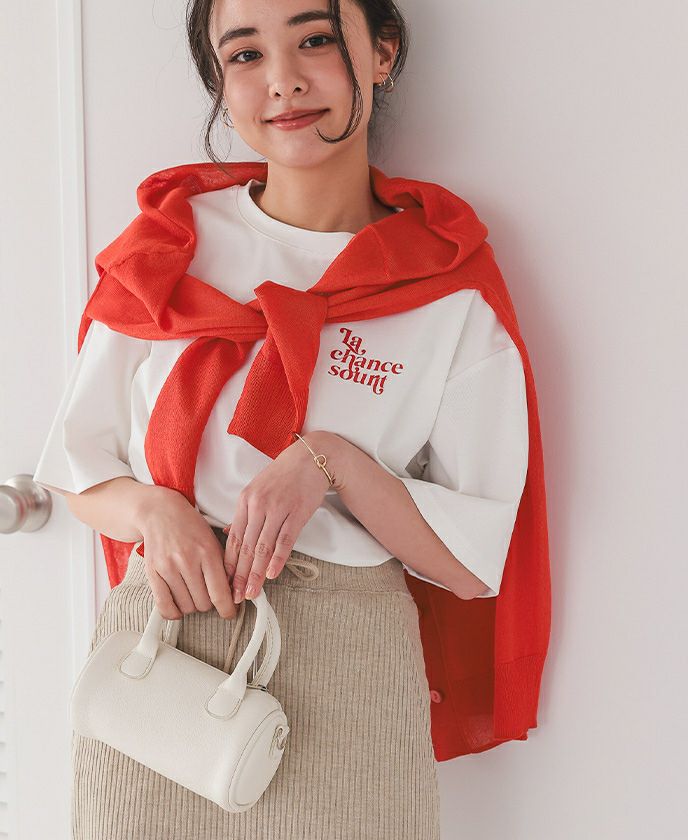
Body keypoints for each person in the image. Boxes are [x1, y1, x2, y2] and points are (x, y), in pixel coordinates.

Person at [34, 0, 539, 837]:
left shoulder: (445, 289)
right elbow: (76, 464)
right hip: (161, 652)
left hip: (349, 661)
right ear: (218, 80)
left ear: (382, 53)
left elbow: (468, 562)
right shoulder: (171, 245)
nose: (283, 81)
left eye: (315, 40)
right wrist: (154, 512)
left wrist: (331, 461)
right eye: (244, 55)